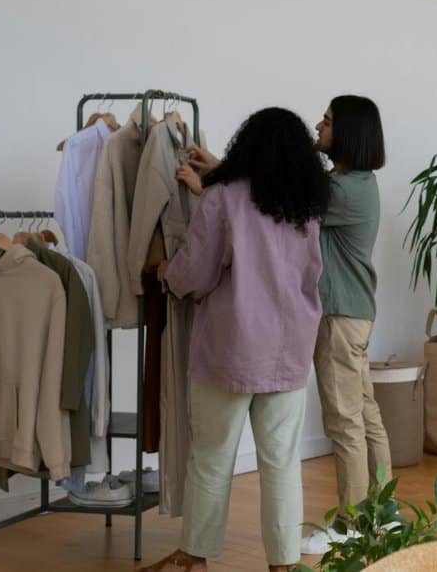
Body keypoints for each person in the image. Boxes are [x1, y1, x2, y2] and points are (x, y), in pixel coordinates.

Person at [140, 107, 330, 572]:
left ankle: (194, 557)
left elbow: (197, 273)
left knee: (210, 459)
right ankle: (283, 564)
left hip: (231, 349)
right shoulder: (304, 206)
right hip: (288, 351)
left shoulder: (223, 198)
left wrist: (167, 272)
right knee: (282, 463)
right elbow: (310, 277)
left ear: (248, 146)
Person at [300, 95, 392, 555]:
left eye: (329, 121)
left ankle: (351, 524)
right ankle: (383, 514)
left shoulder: (342, 190)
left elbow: (284, 199)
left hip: (339, 317)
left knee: (343, 422)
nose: (319, 125)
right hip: (355, 314)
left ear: (348, 133)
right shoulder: (356, 182)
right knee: (365, 415)